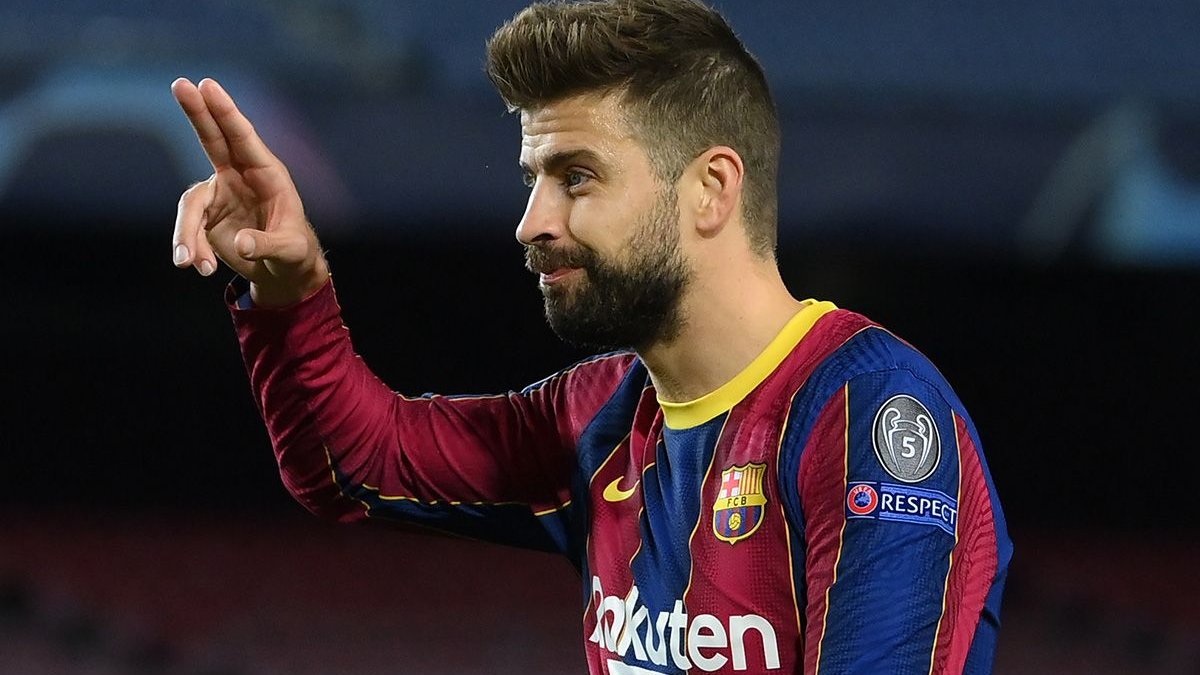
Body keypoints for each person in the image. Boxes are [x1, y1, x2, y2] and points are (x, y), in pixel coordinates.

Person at [170, 0, 1011, 672]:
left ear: (711, 188)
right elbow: (354, 468)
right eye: (534, 179)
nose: (531, 223)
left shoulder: (867, 413)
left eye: (577, 177)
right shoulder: (600, 413)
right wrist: (290, 288)